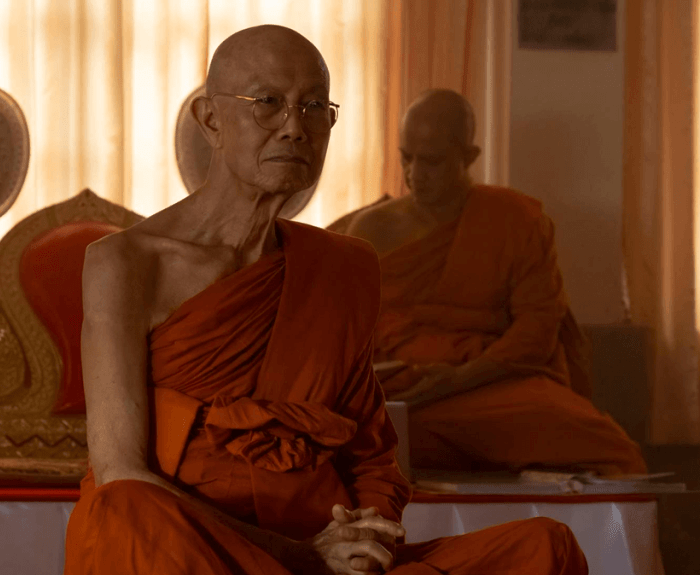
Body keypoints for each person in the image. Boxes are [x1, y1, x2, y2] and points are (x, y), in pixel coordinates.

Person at [64, 27, 588, 575]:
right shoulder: (125, 263)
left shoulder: (341, 266)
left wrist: (360, 543)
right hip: (191, 547)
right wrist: (298, 556)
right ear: (210, 120)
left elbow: (371, 453)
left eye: (315, 106)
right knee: (124, 511)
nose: (295, 127)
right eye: (268, 103)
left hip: (318, 547)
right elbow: (121, 471)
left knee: (545, 546)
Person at [342, 89, 646, 476]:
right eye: (407, 157)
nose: (414, 174)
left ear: (468, 157)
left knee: (614, 451)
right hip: (408, 388)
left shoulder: (515, 220)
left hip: (489, 383)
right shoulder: (373, 228)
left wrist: (457, 380)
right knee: (348, 437)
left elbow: (536, 330)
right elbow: (347, 327)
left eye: (432, 161)